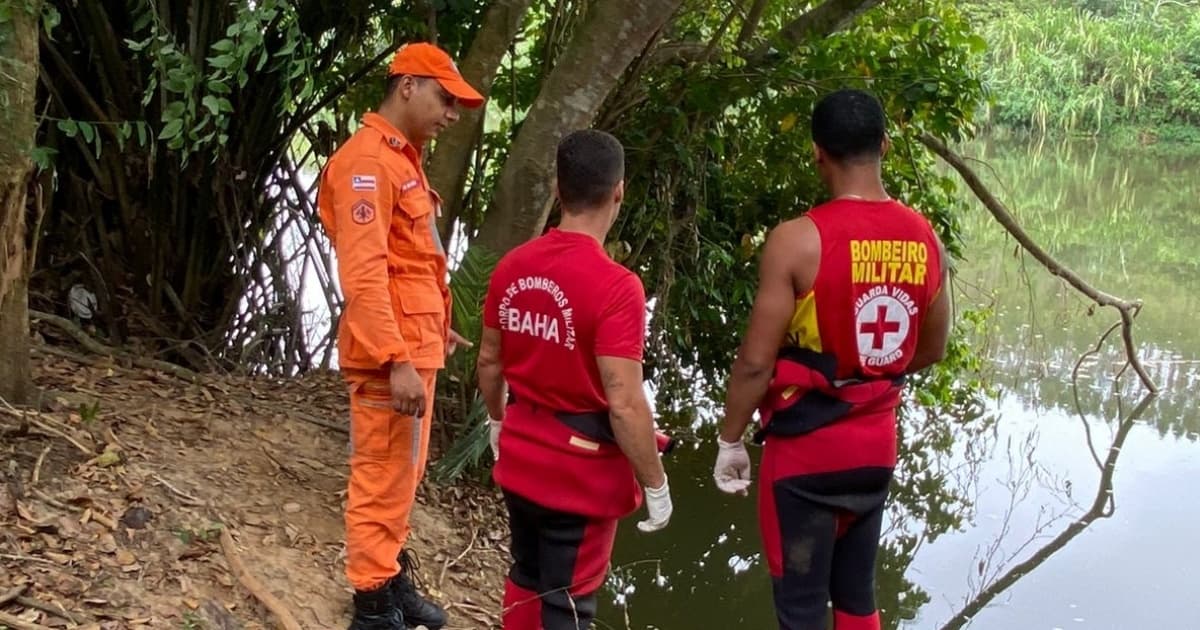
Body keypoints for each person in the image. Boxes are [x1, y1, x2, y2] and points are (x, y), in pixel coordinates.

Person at [712, 89, 952, 630]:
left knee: (800, 610)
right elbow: (932, 348)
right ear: (884, 145)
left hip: (804, 456)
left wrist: (730, 441)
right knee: (857, 598)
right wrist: (867, 377)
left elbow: (754, 363)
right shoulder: (926, 239)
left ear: (817, 152)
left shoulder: (795, 241)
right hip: (875, 448)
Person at [476, 129, 674, 630]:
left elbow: (489, 363)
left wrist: (499, 423)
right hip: (577, 478)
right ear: (618, 191)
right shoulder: (616, 288)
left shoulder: (512, 267)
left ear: (558, 191)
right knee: (568, 602)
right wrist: (655, 483)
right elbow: (625, 403)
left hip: (520, 459)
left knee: (526, 573)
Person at [316, 42, 484, 630]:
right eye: (446, 97)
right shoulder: (367, 163)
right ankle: (371, 607)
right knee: (381, 475)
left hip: (415, 347)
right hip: (394, 357)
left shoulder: (399, 158)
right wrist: (395, 358)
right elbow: (363, 274)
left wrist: (438, 327)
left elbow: (409, 266)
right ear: (407, 85)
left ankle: (387, 580)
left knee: (401, 476)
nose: (453, 113)